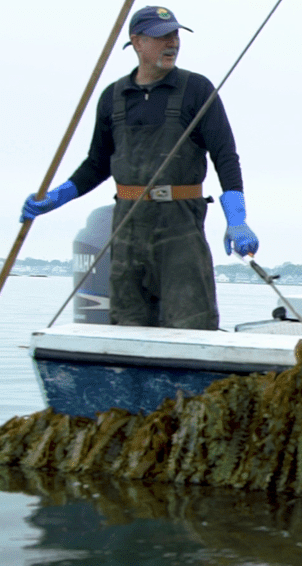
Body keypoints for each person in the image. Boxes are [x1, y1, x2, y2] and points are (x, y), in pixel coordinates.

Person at [20, 6, 257, 330]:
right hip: (127, 227)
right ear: (137, 42)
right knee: (126, 325)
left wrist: (237, 218)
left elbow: (225, 156)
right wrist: (57, 197)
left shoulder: (197, 90)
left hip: (181, 228)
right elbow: (97, 164)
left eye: (175, 35)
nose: (172, 43)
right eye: (162, 37)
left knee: (192, 324)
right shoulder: (113, 97)